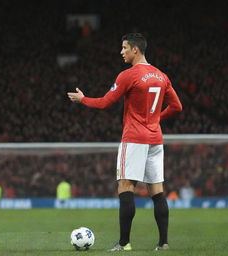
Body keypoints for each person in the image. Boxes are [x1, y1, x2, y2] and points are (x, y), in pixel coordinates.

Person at [67, 33, 182, 251]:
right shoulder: (161, 76)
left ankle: (124, 243)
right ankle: (164, 243)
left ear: (135, 50)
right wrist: (155, 119)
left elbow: (104, 103)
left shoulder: (128, 75)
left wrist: (83, 99)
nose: (121, 52)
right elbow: (177, 107)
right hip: (155, 139)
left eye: (124, 48)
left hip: (135, 138)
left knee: (125, 187)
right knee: (157, 191)